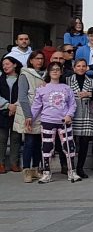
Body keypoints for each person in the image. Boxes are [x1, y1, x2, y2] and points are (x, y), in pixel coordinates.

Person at [30, 62, 78, 184]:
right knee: (47, 147)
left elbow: (72, 104)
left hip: (64, 121)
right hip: (47, 121)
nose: (55, 72)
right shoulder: (42, 89)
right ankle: (46, 173)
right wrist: (30, 118)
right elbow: (36, 106)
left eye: (57, 69)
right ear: (49, 72)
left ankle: (72, 171)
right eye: (52, 70)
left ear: (61, 72)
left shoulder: (67, 88)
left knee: (69, 146)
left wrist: (69, 115)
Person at [14, 50, 46, 182]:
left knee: (38, 142)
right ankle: (26, 170)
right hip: (29, 112)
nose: (40, 61)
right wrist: (28, 115)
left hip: (42, 112)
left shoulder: (45, 74)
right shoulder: (25, 74)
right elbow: (22, 97)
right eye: (37, 58)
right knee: (29, 142)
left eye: (42, 58)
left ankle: (36, 168)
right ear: (31, 60)